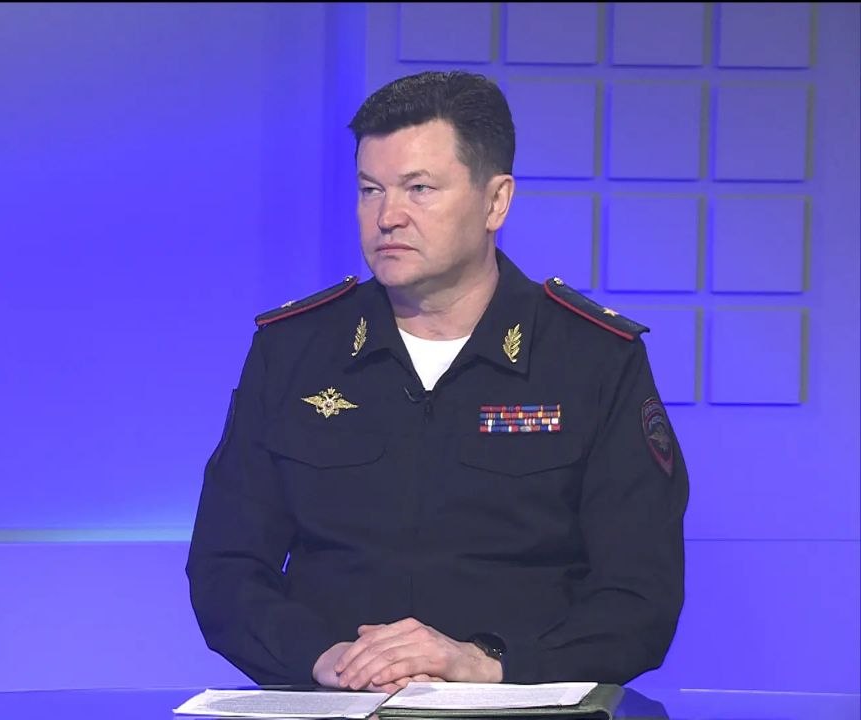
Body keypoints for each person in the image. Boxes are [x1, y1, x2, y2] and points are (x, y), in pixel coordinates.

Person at [185, 70, 689, 693]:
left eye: (419, 188)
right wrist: (324, 658)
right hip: (335, 702)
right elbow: (225, 567)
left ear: (495, 201)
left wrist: (489, 665)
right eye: (370, 190)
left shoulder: (593, 357)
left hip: (518, 707)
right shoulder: (292, 351)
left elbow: (640, 596)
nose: (387, 217)